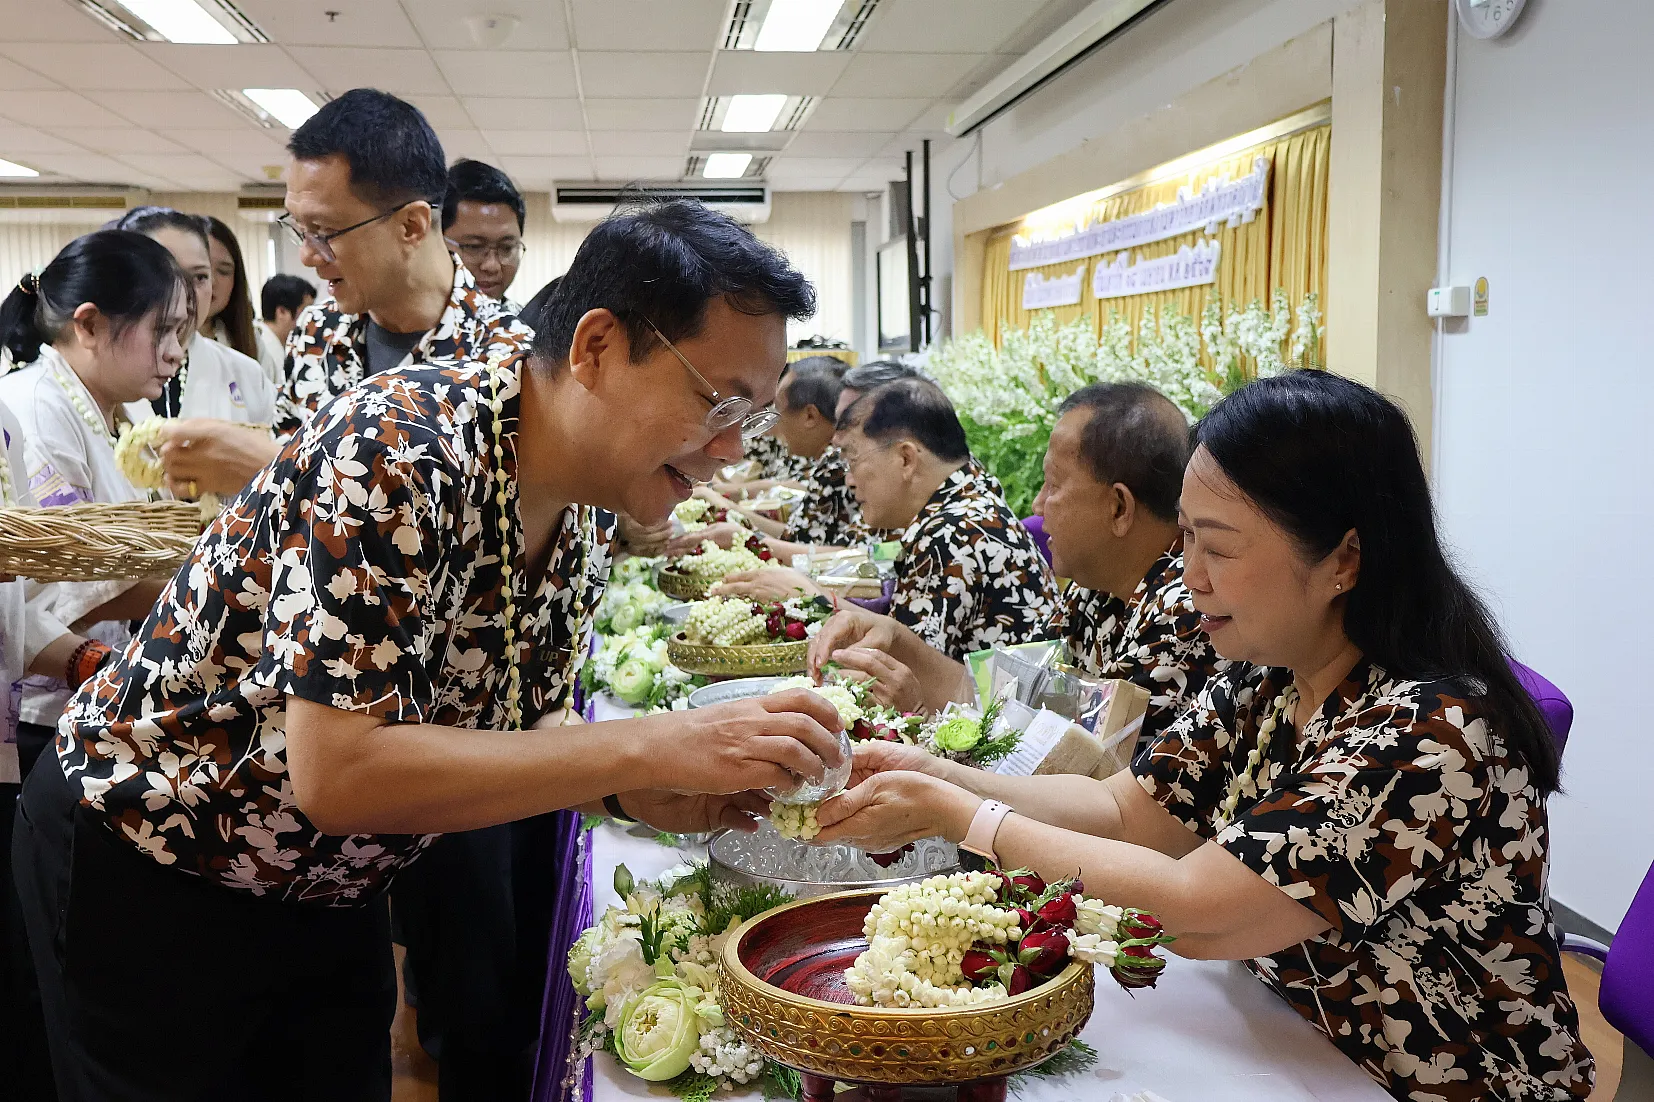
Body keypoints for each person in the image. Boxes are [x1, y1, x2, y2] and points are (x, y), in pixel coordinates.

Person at [14, 199, 847, 1101]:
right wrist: (645, 746)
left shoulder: (584, 505)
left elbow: (524, 718)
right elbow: (341, 772)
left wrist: (628, 785)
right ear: (598, 347)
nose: (729, 450)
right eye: (718, 402)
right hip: (156, 854)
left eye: (751, 418)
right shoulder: (401, 447)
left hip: (326, 883)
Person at [815, 371, 1594, 1102]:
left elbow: (1196, 909)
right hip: (1290, 1038)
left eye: (1217, 547)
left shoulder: (1431, 734)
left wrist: (964, 817)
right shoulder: (1270, 676)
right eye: (1185, 537)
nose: (1191, 575)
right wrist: (940, 778)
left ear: (1344, 561)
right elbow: (1124, 812)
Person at [810, 382, 1226, 745]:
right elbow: (1004, 694)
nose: (1037, 505)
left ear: (1119, 507)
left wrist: (919, 712)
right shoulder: (1095, 590)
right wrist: (894, 637)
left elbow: (1079, 783)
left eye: (1054, 484)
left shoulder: (1180, 614)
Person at [0, 230, 193, 772]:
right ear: (87, 325)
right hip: (46, 706)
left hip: (97, 686)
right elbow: (68, 583)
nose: (176, 352)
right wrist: (213, 584)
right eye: (161, 330)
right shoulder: (37, 409)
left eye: (181, 333)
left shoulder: (122, 409)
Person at [720, 380, 1059, 660]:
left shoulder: (953, 531)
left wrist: (810, 595)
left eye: (853, 459)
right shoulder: (966, 503)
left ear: (906, 458)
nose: (849, 479)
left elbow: (904, 668)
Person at [107, 208, 277, 502]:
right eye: (167, 274)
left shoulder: (245, 373)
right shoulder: (100, 373)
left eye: (199, 277)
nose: (185, 293)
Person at [667, 355, 854, 556]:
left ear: (810, 416)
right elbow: (796, 534)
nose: (775, 425)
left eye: (779, 410)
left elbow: (829, 552)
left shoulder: (838, 465)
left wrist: (739, 527)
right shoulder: (823, 459)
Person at [199, 215, 278, 381]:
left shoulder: (250, 341)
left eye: (224, 271)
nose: (212, 282)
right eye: (200, 271)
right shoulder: (158, 343)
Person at [442, 158, 527, 307]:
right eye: (474, 247)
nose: (492, 266)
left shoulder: (526, 321)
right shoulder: (405, 317)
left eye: (506, 248)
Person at [258, 272, 317, 382]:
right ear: (282, 312)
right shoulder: (264, 351)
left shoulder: (278, 346)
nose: (313, 319)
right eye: (307, 312)